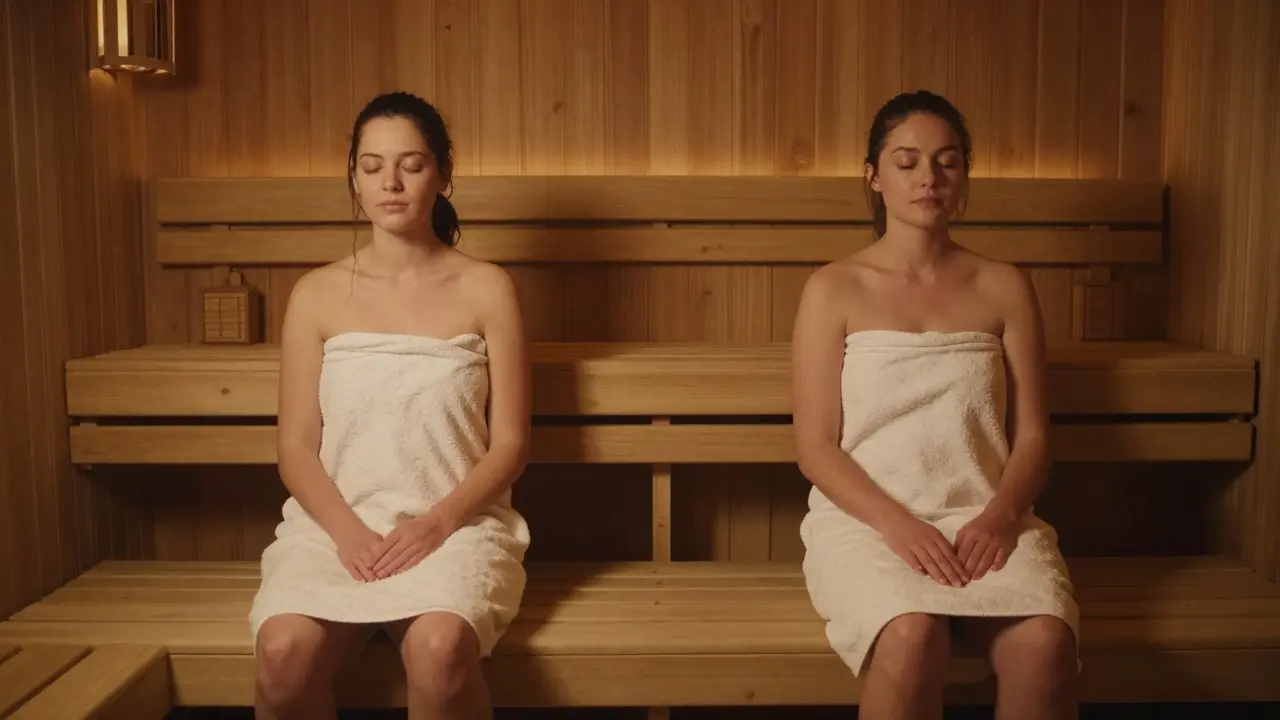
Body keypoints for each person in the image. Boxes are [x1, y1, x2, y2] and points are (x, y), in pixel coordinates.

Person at [791, 90, 1079, 720]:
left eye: (947, 162)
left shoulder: (1004, 285)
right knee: (913, 633)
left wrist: (1003, 516)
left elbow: (1032, 437)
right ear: (873, 177)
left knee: (1045, 642)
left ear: (964, 177)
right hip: (867, 521)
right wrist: (897, 525)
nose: (929, 177)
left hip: (985, 512)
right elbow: (814, 446)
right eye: (908, 160)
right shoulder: (833, 288)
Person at [249, 91, 532, 720]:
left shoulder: (487, 288)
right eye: (372, 166)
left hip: (457, 524)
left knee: (439, 649)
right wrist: (348, 533)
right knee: (281, 654)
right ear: (353, 179)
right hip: (334, 527)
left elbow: (510, 442)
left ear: (443, 174)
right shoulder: (316, 294)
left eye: (411, 164)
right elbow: (295, 447)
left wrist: (436, 523)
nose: (391, 182)